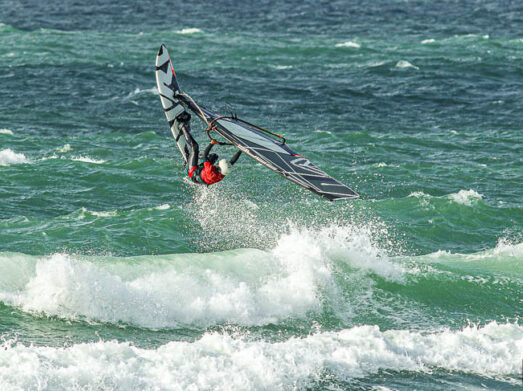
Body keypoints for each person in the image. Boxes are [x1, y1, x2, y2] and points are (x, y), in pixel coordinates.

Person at [178, 111, 241, 185]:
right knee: (214, 156)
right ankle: (194, 156)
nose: (217, 163)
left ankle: (181, 126)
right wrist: (241, 149)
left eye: (218, 164)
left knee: (195, 147)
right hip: (202, 175)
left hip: (193, 171)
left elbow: (205, 154)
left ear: (219, 167)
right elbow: (232, 162)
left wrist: (211, 144)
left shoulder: (210, 170)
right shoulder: (224, 172)